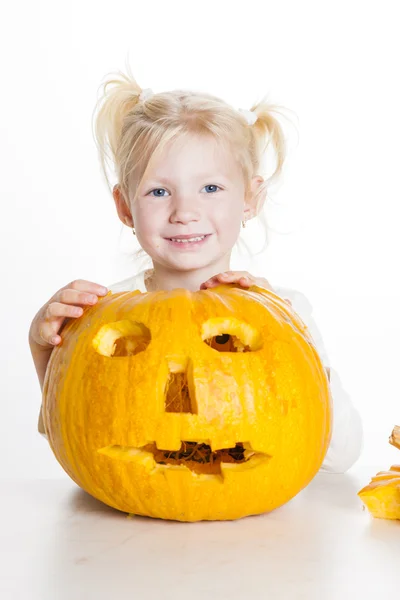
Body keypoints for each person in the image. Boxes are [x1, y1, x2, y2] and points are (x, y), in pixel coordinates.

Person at [29, 67, 363, 474]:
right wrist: (47, 355)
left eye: (210, 188)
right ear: (124, 207)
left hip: (261, 533)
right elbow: (81, 435)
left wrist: (293, 339)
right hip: (126, 531)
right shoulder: (105, 322)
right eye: (158, 191)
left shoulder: (285, 309)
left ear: (249, 199)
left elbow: (341, 455)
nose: (185, 212)